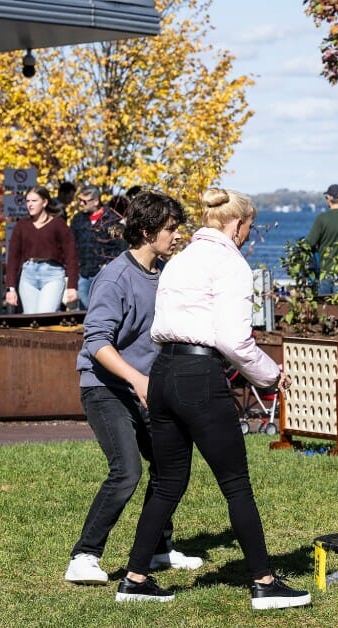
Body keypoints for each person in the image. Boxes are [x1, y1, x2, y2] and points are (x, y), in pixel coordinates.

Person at [117, 187, 310, 610]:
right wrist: (272, 376)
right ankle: (263, 582)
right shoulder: (230, 263)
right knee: (236, 483)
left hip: (163, 372)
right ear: (237, 225)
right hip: (199, 375)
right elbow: (235, 341)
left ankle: (134, 578)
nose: (248, 235)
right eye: (249, 227)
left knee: (167, 482)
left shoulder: (179, 259)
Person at [65, 190, 203, 585]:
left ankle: (158, 548)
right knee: (126, 471)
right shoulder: (115, 277)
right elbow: (97, 343)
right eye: (170, 229)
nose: (177, 236)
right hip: (105, 388)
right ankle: (84, 556)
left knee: (168, 466)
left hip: (145, 388)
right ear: (145, 232)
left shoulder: (164, 275)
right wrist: (136, 378)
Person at [4, 186, 79, 314]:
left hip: (53, 275)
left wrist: (72, 286)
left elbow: (71, 256)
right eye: (27, 201)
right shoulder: (22, 226)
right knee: (31, 320)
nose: (30, 205)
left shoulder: (58, 224)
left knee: (45, 316)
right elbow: (13, 259)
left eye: (34, 201)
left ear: (44, 202)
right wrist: (10, 289)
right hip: (28, 276)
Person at [69, 184, 127, 310]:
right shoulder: (78, 219)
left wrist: (108, 265)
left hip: (105, 274)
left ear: (96, 201)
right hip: (83, 274)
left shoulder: (112, 219)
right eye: (79, 200)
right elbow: (71, 245)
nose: (81, 204)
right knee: (85, 310)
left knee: (103, 309)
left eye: (84, 201)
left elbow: (121, 247)